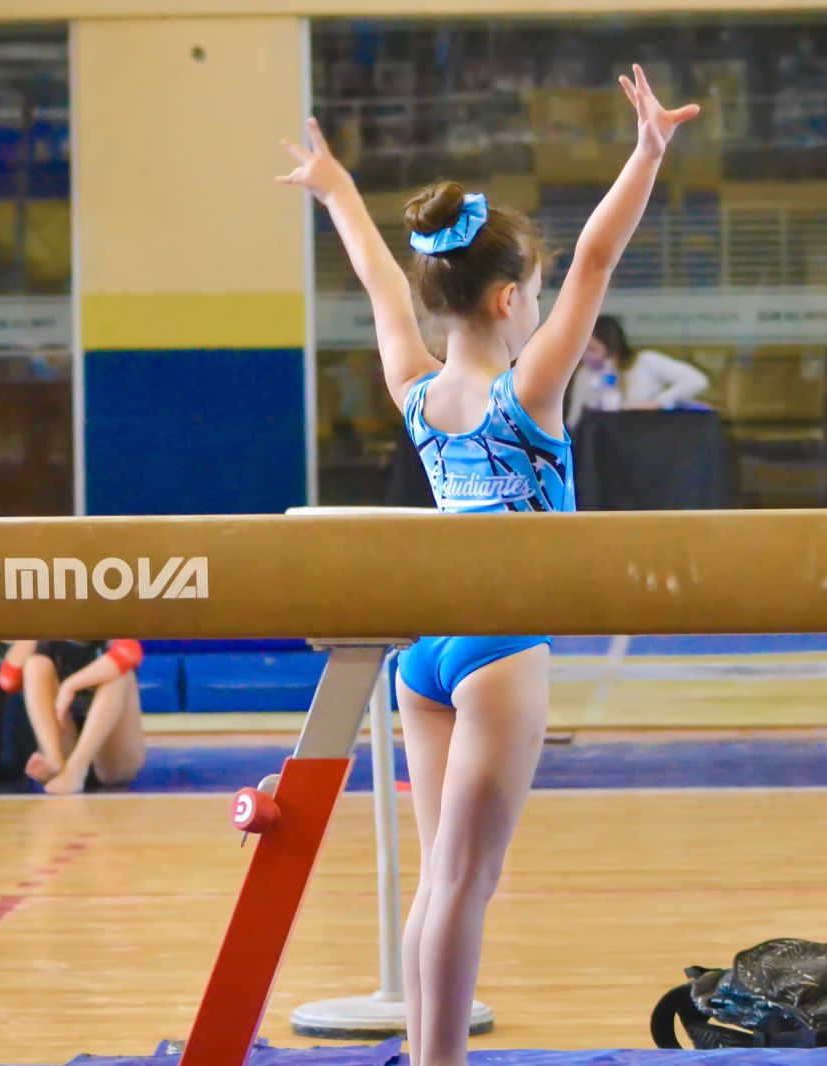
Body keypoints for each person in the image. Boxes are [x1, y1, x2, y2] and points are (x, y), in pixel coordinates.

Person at [276, 65, 697, 1065]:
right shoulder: (530, 394)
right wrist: (644, 155)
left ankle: (428, 1058)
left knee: (443, 880)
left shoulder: (418, 391)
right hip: (502, 645)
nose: (550, 303)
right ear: (510, 298)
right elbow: (598, 259)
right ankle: (436, 1062)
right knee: (467, 884)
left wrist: (338, 190)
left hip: (425, 652)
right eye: (538, 293)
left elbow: (384, 284)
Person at [0, 639, 147, 795]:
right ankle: (53, 758)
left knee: (120, 674)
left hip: (113, 760)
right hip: (66, 750)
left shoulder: (109, 629)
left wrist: (71, 685)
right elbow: (9, 681)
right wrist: (33, 630)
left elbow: (129, 653)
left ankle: (78, 768)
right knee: (35, 664)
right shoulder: (49, 637)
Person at [565, 314, 709, 427]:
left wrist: (657, 403)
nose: (586, 356)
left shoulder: (645, 361)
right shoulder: (585, 374)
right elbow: (574, 419)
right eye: (582, 349)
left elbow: (697, 381)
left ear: (611, 347)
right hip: (607, 445)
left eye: (592, 349)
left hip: (646, 437)